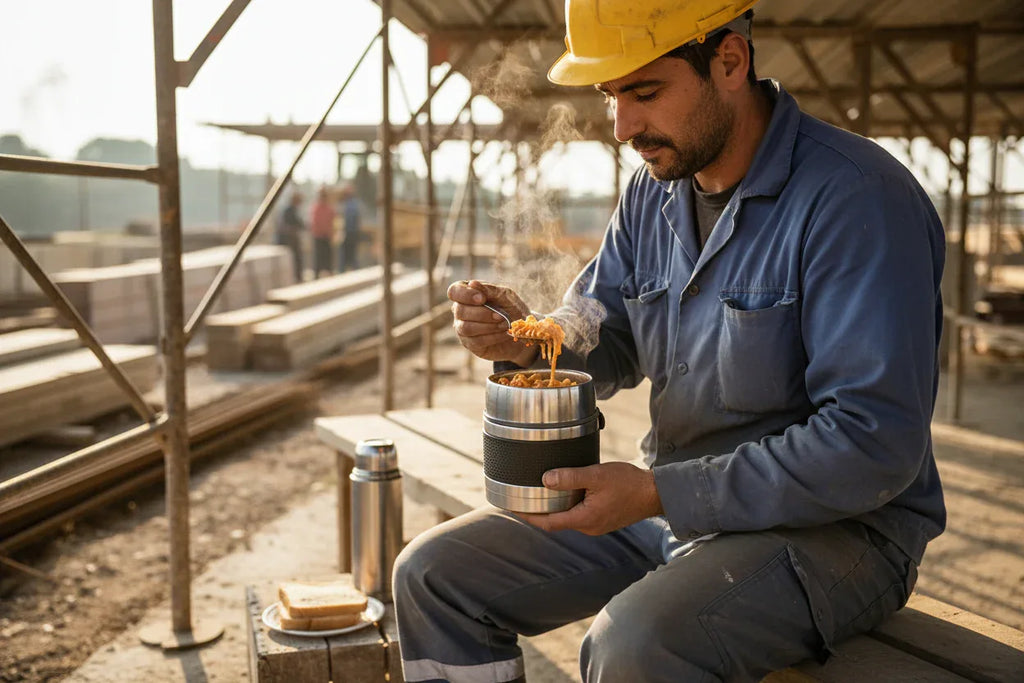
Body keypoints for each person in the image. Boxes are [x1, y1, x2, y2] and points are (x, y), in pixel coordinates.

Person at [392, 1, 947, 682]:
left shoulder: (856, 199)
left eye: (645, 91)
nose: (624, 126)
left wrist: (660, 494)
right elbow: (607, 326)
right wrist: (529, 341)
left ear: (730, 62)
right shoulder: (653, 193)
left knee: (632, 647)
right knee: (433, 574)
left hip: (838, 530)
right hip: (673, 503)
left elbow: (872, 445)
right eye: (611, 96)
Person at [275, 191, 306, 282]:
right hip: (287, 239)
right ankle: (295, 277)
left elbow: (300, 224)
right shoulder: (288, 211)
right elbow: (285, 226)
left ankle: (298, 277)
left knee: (298, 258)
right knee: (294, 258)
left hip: (291, 238)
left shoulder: (294, 210)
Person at [309, 186, 336, 278]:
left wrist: (331, 233)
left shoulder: (329, 209)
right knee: (318, 257)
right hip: (318, 236)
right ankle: (316, 275)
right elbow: (314, 222)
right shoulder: (316, 208)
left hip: (326, 236)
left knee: (328, 257)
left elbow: (332, 221)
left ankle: (329, 273)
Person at [337, 183, 362, 271]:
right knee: (347, 256)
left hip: (349, 233)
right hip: (348, 233)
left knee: (349, 256)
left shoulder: (350, 204)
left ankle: (351, 271)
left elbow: (352, 219)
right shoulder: (348, 204)